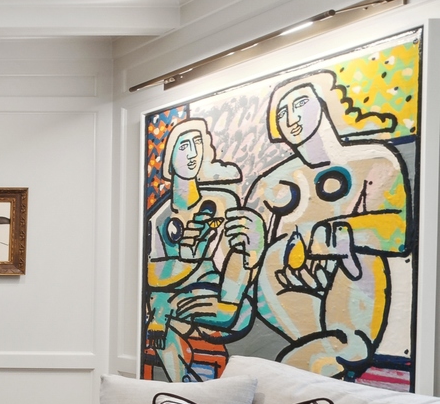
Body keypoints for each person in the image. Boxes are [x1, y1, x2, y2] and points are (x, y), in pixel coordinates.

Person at [241, 72, 408, 379]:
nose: (291, 117)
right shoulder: (270, 183)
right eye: (282, 112)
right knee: (329, 349)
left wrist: (338, 235)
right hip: (286, 286)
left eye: (300, 103)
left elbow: (397, 233)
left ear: (323, 103)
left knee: (343, 345)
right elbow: (248, 251)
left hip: (352, 277)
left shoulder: (374, 159)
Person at [145, 118, 249, 381]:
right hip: (173, 302)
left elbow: (240, 255)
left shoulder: (223, 201)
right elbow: (151, 276)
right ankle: (187, 389)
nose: (192, 153)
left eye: (197, 144)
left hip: (219, 293)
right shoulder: (160, 217)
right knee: (158, 315)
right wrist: (188, 259)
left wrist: (229, 302)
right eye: (183, 146)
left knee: (163, 310)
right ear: (169, 157)